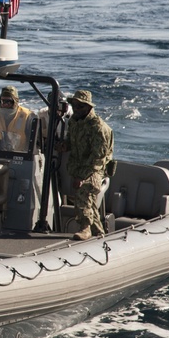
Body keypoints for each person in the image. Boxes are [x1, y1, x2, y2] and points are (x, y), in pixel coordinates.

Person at [63, 89, 114, 241]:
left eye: (81, 107)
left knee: (83, 191)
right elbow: (71, 141)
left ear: (89, 108)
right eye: (75, 106)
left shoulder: (98, 128)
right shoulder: (74, 122)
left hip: (96, 169)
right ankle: (99, 232)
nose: (77, 109)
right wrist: (64, 146)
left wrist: (82, 176)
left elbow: (98, 158)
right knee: (89, 202)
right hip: (78, 165)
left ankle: (85, 228)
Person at [0, 85, 36, 152]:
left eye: (8, 102)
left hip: (20, 158)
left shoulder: (28, 117)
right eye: (3, 101)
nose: (5, 104)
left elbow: (34, 145)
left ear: (16, 102)